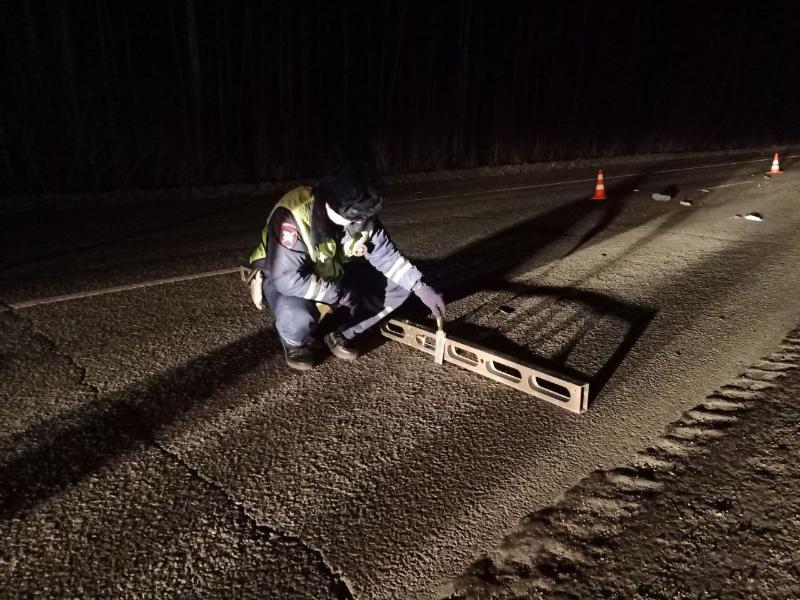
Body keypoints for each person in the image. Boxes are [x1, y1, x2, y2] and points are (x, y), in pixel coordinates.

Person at [246, 162, 446, 370]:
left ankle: (341, 332)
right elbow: (286, 279)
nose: (357, 224)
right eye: (351, 218)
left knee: (399, 287)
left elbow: (387, 255)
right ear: (328, 204)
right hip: (287, 276)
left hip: (333, 270)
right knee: (296, 315)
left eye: (363, 218)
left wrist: (420, 286)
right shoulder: (293, 215)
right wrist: (337, 293)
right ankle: (294, 343)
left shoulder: (361, 213)